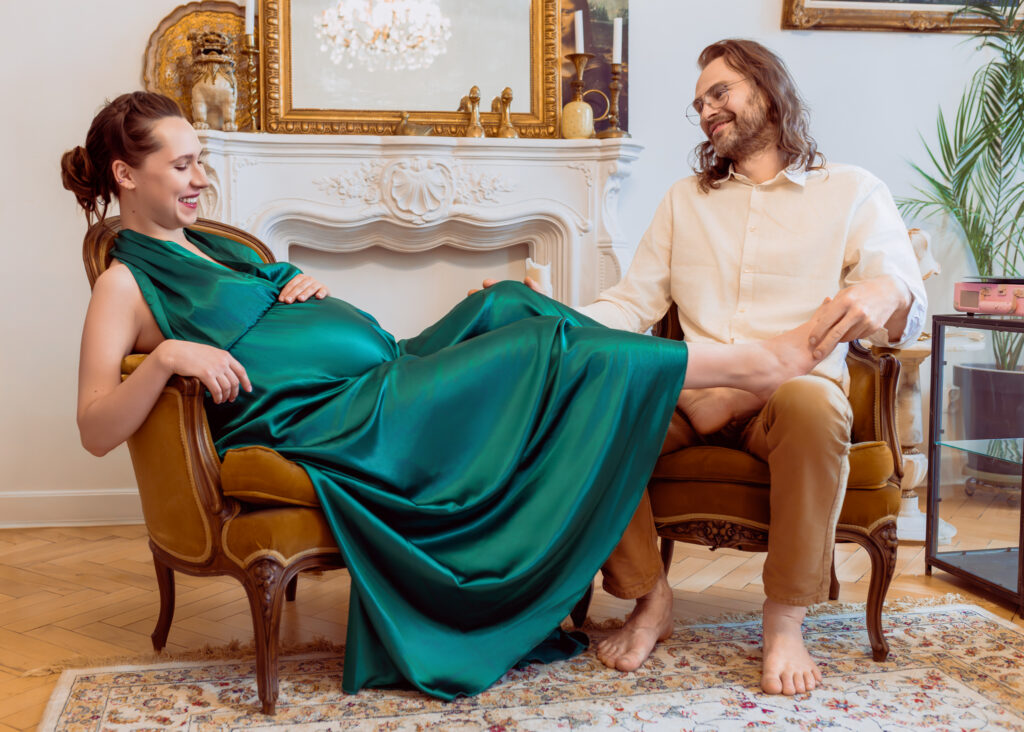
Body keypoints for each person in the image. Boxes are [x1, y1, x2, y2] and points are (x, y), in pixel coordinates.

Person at [62, 91, 845, 700]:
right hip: (349, 420)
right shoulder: (123, 285)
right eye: (183, 166)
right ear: (127, 175)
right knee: (543, 345)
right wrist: (166, 358)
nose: (201, 178)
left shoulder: (214, 247)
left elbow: (259, 320)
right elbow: (95, 427)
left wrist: (288, 284)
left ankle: (672, 510)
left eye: (201, 161)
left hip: (384, 371)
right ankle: (750, 366)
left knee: (511, 304)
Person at [484, 39, 927, 696]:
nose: (706, 111)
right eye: (698, 104)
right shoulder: (683, 201)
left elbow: (904, 302)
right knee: (590, 402)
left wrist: (889, 291)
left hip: (786, 403)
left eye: (720, 92)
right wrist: (550, 318)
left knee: (814, 402)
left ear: (768, 90)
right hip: (689, 402)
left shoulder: (852, 191)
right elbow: (630, 305)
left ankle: (784, 622)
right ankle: (650, 598)